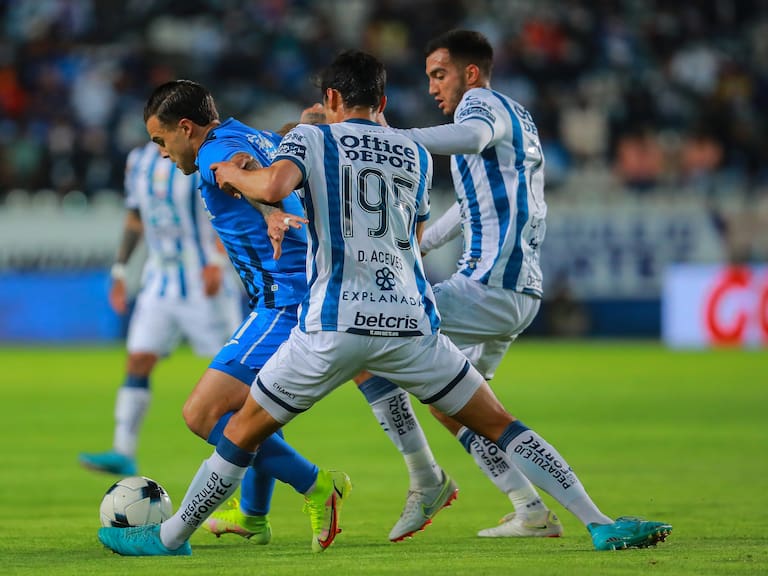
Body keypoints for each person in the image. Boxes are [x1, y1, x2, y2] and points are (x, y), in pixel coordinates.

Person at [97, 49, 672, 556]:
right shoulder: (416, 153)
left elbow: (270, 183)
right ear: (384, 99)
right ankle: (599, 523)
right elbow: (415, 234)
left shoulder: (311, 138)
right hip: (409, 320)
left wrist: (238, 179)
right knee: (499, 422)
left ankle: (170, 538)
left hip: (331, 321)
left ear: (329, 97)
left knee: (239, 429)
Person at [107, 80, 351, 553]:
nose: (160, 152)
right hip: (290, 296)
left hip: (287, 303)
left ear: (185, 128)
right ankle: (254, 518)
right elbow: (258, 162)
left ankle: (318, 485)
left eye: (161, 140)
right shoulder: (250, 133)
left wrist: (270, 208)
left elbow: (235, 173)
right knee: (253, 415)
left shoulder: (210, 155)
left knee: (201, 414)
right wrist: (301, 132)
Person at [345, 28, 562, 539]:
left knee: (366, 343)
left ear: (470, 73)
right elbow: (470, 208)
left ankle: (427, 480)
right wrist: (420, 246)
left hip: (487, 285)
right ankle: (529, 509)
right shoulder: (518, 115)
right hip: (519, 289)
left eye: (439, 75)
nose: (432, 88)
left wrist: (395, 138)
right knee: (460, 404)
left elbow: (472, 137)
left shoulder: (478, 105)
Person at [79, 141, 242, 476]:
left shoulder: (201, 157)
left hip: (203, 282)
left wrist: (216, 259)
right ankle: (123, 450)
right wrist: (121, 270)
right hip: (159, 280)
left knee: (236, 376)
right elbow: (135, 218)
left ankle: (252, 451)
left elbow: (227, 209)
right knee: (139, 358)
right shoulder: (137, 161)